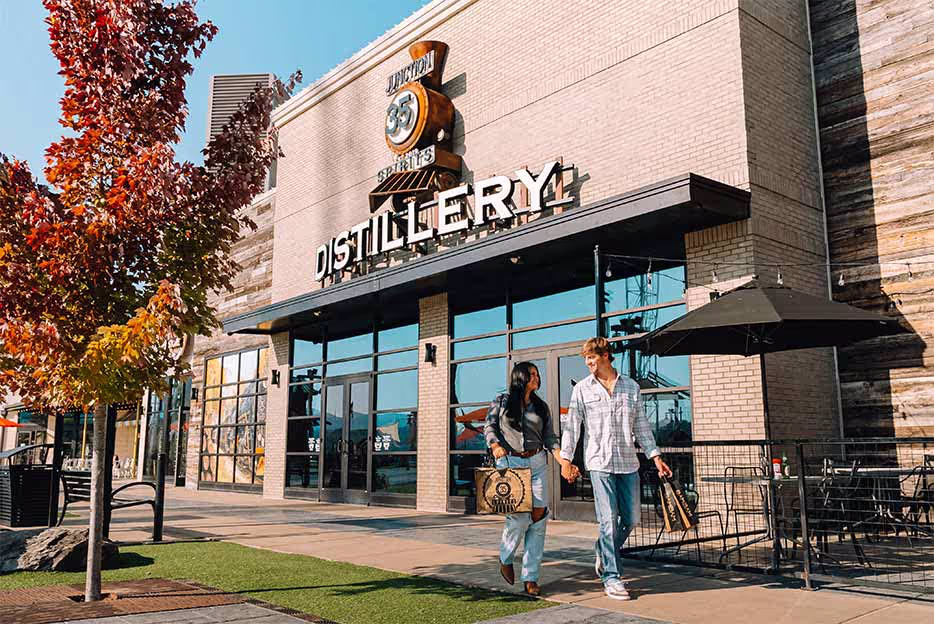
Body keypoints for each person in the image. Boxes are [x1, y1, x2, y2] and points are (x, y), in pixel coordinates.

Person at [557, 337, 673, 601]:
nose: (588, 363)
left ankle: (603, 548)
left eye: (592, 357)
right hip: (599, 463)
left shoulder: (631, 387)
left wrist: (655, 456)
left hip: (628, 462)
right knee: (608, 520)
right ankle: (611, 577)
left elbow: (641, 426)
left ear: (606, 355)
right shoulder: (582, 389)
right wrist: (566, 460)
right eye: (586, 358)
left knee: (631, 519)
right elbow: (572, 427)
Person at [484, 361, 567, 596]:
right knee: (519, 518)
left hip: (538, 462)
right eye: (532, 374)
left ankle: (531, 576)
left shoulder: (541, 407)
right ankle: (506, 557)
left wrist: (563, 461)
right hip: (510, 463)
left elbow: (550, 438)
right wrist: (495, 445)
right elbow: (489, 426)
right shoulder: (501, 401)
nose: (536, 378)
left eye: (537, 374)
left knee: (539, 517)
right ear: (520, 377)